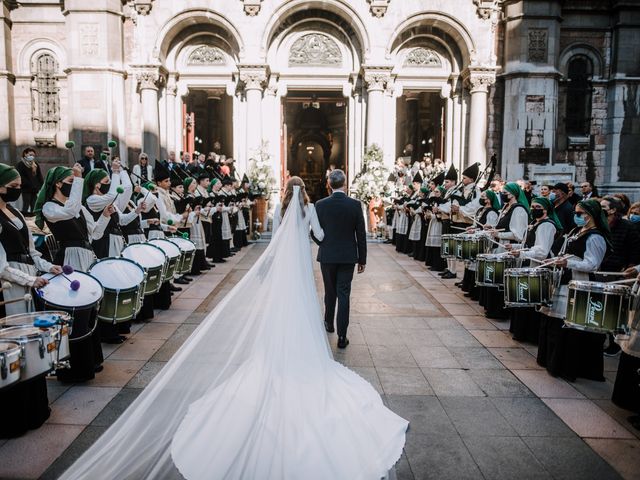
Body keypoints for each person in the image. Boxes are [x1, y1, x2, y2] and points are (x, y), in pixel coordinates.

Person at [58, 175, 407, 480]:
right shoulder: (309, 208)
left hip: (285, 271)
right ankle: (307, 352)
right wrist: (319, 237)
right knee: (306, 306)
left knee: (282, 311)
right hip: (302, 270)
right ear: (305, 193)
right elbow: (316, 234)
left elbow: (273, 241)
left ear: (285, 190)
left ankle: (276, 354)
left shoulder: (279, 210)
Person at [35, 164, 110, 382]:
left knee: (90, 308)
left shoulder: (78, 205)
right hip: (69, 258)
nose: (73, 185)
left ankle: (91, 360)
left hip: (86, 255)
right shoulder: (50, 207)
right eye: (69, 182)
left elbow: (94, 233)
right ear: (58, 184)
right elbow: (68, 211)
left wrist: (104, 216)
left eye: (74, 182)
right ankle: (73, 368)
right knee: (75, 312)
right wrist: (79, 180)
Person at [538, 199, 610, 382]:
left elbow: (593, 264)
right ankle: (554, 362)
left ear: (591, 215)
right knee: (557, 322)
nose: (576, 216)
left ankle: (568, 367)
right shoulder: (577, 232)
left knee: (570, 325)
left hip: (580, 283)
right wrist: (557, 259)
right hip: (566, 279)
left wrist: (567, 262)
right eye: (575, 213)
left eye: (580, 214)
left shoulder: (596, 237)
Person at [314, 169, 367, 349]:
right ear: (345, 184)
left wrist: (322, 243)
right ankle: (342, 336)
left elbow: (314, 232)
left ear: (329, 184)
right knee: (343, 294)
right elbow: (361, 234)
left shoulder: (320, 205)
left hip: (328, 255)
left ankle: (329, 322)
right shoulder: (355, 205)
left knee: (330, 291)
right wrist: (362, 259)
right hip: (347, 257)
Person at [506, 196, 561, 342]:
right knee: (524, 298)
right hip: (528, 264)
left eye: (538, 208)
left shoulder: (546, 225)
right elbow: (529, 245)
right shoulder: (535, 223)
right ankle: (521, 331)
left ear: (546, 210)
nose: (534, 210)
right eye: (533, 207)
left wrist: (522, 252)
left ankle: (529, 334)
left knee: (531, 300)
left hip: (537, 267)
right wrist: (516, 247)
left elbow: (542, 251)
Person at [15, 147, 43, 214]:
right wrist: (29, 184)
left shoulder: (35, 164)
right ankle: (24, 218)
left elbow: (39, 175)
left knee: (34, 205)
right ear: (25, 154)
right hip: (26, 189)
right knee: (26, 205)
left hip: (35, 188)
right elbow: (20, 176)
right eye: (30, 155)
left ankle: (33, 219)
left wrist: (41, 185)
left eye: (33, 155)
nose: (32, 157)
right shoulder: (20, 164)